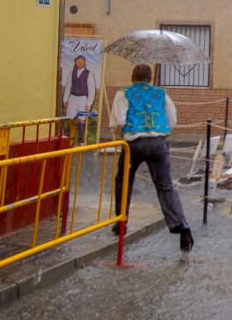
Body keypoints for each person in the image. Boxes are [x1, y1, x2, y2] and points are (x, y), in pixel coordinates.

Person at [109, 64, 193, 253]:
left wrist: (124, 132)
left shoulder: (124, 94)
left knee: (124, 181)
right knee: (165, 186)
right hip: (158, 143)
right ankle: (182, 226)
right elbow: (172, 120)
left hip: (134, 143)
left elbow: (119, 121)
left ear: (132, 78)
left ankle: (121, 221)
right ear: (150, 78)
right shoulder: (161, 94)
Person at [63, 55, 96, 141]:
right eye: (78, 61)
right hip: (73, 97)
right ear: (76, 62)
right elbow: (68, 86)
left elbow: (91, 89)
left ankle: (80, 138)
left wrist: (89, 103)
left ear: (84, 63)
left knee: (82, 118)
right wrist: (65, 99)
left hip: (83, 99)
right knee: (70, 116)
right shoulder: (71, 73)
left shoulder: (89, 74)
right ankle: (69, 136)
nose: (80, 63)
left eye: (81, 61)